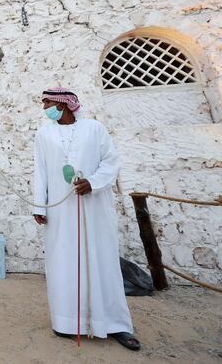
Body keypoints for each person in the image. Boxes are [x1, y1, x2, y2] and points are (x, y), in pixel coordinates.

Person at [32, 87, 141, 351]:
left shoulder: (94, 128)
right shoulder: (44, 133)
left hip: (93, 209)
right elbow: (40, 170)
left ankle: (117, 325)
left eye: (47, 102)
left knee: (101, 260)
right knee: (64, 262)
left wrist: (93, 182)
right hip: (60, 211)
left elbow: (111, 162)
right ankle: (67, 322)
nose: (45, 107)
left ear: (64, 104)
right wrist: (40, 205)